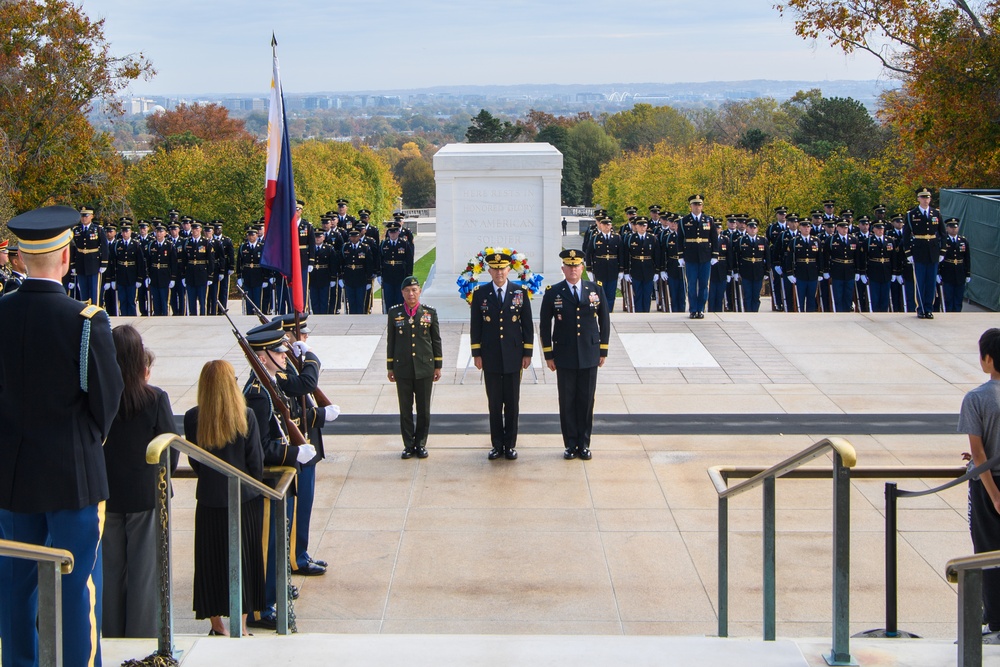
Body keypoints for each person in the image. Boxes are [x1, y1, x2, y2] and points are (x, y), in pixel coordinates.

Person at [0, 205, 124, 667]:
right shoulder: (86, 320)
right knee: (76, 587)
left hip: (12, 476)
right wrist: (81, 446)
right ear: (67, 256)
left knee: (14, 587)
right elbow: (106, 403)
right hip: (73, 476)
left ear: (20, 259)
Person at [103, 324, 176, 638]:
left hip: (107, 495)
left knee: (109, 573)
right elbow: (170, 454)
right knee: (144, 576)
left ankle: (109, 635)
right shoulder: (155, 398)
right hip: (147, 497)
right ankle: (141, 638)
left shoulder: (100, 398)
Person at [184, 360, 265, 637]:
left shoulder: (193, 417)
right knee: (244, 563)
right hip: (243, 502)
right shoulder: (246, 416)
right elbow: (256, 465)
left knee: (211, 564)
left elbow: (196, 462)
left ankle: (218, 627)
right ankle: (240, 626)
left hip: (209, 501)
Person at [539, 249, 610, 461]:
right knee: (567, 401)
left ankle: (584, 443)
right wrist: (548, 354)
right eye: (569, 266)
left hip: (589, 353)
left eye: (576, 265)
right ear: (563, 269)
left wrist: (603, 350)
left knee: (586, 400)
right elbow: (544, 325)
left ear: (582, 268)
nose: (573, 269)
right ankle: (570, 444)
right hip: (565, 354)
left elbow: (604, 321)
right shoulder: (554, 292)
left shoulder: (594, 289)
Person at [470, 252, 534, 461]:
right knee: (495, 403)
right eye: (495, 269)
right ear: (489, 271)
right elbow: (476, 326)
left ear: (509, 270)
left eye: (503, 268)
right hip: (490, 355)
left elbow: (527, 325)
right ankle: (497, 445)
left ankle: (510, 445)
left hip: (514, 355)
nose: (499, 272)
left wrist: (528, 353)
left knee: (512, 403)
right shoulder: (480, 293)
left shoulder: (520, 292)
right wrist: (476, 353)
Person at [958, 328, 1000, 638]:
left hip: (989, 485)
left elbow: (979, 451)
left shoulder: (976, 398)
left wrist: (995, 496)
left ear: (987, 359)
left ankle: (995, 622)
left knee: (987, 552)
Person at [386, 276, 442, 459]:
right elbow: (391, 341)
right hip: (403, 368)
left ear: (419, 292)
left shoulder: (429, 312)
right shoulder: (395, 313)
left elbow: (435, 341)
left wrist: (437, 366)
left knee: (424, 409)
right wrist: (390, 367)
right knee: (405, 409)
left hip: (424, 367)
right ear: (402, 293)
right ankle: (408, 444)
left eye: (414, 290)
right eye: (408, 290)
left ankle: (421, 443)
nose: (411, 294)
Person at [905, 186, 945, 318]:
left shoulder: (936, 213)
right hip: (919, 250)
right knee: (920, 281)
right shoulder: (911, 214)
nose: (925, 200)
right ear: (918, 199)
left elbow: (942, 233)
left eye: (927, 197)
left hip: (933, 251)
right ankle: (920, 308)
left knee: (931, 282)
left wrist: (942, 252)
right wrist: (908, 253)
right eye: (923, 197)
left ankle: (929, 308)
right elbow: (906, 236)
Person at [678, 194, 717, 319]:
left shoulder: (708, 220)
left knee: (704, 284)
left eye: (699, 204)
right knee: (692, 284)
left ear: (702, 206)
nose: (697, 207)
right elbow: (680, 239)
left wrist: (715, 254)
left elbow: (714, 238)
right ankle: (693, 309)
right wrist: (680, 256)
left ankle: (701, 309)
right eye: (695, 204)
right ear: (691, 206)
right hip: (690, 256)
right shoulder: (684, 221)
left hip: (705, 256)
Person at [939, 218, 972, 312]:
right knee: (949, 297)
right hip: (947, 271)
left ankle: (957, 313)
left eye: (955, 227)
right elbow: (939, 258)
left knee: (958, 296)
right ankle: (949, 313)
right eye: (951, 227)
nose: (954, 229)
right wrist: (938, 272)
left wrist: (968, 273)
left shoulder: (963, 241)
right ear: (947, 228)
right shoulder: (943, 240)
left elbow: (967, 258)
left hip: (960, 271)